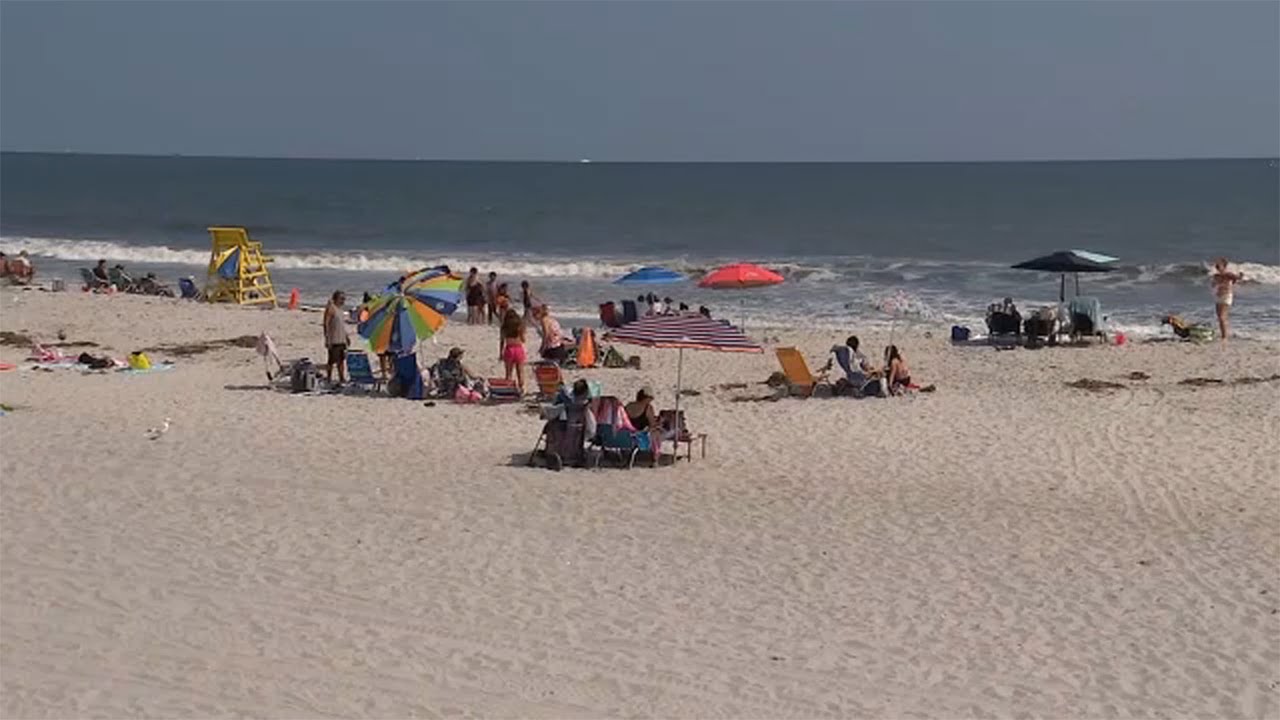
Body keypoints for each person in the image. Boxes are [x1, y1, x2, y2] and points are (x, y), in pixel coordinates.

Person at [1211, 257, 1244, 341]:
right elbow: (1213, 285)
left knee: (1222, 317)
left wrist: (1240, 275)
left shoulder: (1229, 274)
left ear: (1224, 266)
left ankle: (1224, 337)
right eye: (1217, 265)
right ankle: (1224, 334)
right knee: (1220, 317)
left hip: (1226, 296)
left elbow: (1237, 278)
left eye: (1219, 264)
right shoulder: (1216, 275)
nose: (1217, 266)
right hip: (1218, 296)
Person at [499, 308, 528, 395]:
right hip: (518, 348)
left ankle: (508, 390)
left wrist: (500, 353)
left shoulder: (504, 327)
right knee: (520, 372)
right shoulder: (519, 326)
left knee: (508, 373)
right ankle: (521, 389)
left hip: (509, 349)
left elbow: (502, 341)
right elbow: (523, 340)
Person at [323, 290, 349, 385]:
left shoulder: (341, 310)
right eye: (341, 299)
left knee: (341, 360)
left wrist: (346, 337)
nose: (343, 301)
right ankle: (328, 378)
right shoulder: (331, 308)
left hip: (341, 338)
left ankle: (341, 378)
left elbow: (342, 325)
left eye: (344, 299)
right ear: (336, 298)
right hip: (333, 339)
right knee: (332, 360)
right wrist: (327, 339)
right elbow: (326, 324)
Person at [625, 386, 661, 452]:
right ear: (647, 398)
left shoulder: (629, 405)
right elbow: (652, 424)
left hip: (626, 435)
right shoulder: (648, 408)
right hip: (639, 436)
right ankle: (655, 455)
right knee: (657, 433)